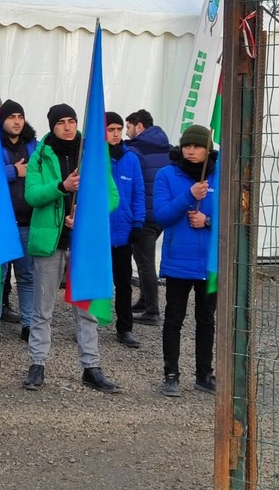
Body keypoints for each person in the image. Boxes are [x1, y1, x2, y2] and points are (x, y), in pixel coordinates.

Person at [23, 103, 120, 393]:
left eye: (72, 120)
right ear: (52, 125)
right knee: (43, 309)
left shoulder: (93, 153)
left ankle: (91, 367)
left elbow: (111, 196)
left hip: (83, 242)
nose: (68, 126)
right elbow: (31, 195)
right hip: (50, 243)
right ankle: (37, 364)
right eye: (61, 122)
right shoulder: (40, 155)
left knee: (86, 308)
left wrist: (85, 215)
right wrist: (62, 187)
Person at [153, 124, 217, 397]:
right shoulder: (166, 174)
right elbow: (162, 215)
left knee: (206, 321)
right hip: (179, 259)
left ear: (208, 149)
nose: (191, 151)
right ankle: (171, 374)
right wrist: (189, 196)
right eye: (187, 146)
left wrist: (208, 221)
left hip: (209, 262)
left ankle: (204, 374)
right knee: (174, 319)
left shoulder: (221, 175)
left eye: (197, 146)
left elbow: (236, 218)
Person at [0, 99, 36, 347]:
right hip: (1, 222)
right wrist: (13, 171)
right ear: (2, 120)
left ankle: (28, 324)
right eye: (11, 116)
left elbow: (43, 175)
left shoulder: (34, 146)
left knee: (26, 276)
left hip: (27, 221)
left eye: (20, 116)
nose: (16, 121)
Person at [125, 109, 170, 326]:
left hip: (143, 215)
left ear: (139, 126)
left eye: (128, 127)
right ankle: (144, 300)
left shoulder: (136, 151)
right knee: (144, 259)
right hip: (161, 213)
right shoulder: (167, 148)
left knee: (144, 263)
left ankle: (153, 311)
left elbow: (133, 183)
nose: (126, 132)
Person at [106, 111, 145, 349]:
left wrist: (138, 223)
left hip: (123, 231)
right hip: (99, 232)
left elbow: (138, 193)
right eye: (111, 129)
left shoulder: (131, 159)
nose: (116, 134)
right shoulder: (93, 158)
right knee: (94, 280)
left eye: (119, 129)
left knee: (123, 283)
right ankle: (87, 325)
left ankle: (125, 327)